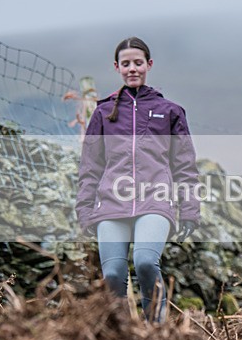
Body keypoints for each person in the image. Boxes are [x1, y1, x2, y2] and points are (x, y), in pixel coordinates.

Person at [75, 37, 200, 322]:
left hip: (155, 202)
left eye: (138, 63)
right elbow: (90, 167)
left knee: (145, 262)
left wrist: (189, 209)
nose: (133, 69)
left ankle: (157, 333)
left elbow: (184, 166)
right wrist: (84, 210)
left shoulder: (170, 111)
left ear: (149, 65)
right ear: (117, 67)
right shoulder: (103, 112)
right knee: (113, 275)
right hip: (110, 205)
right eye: (126, 64)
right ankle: (123, 337)